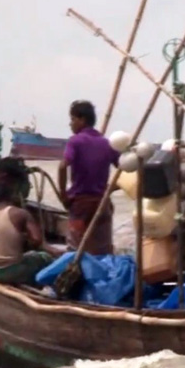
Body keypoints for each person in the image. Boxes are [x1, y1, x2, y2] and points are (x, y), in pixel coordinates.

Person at [0, 177, 62, 286]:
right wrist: (25, 240)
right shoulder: (21, 214)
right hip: (13, 272)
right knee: (43, 257)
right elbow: (37, 240)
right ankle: (48, 287)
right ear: (12, 196)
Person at [57, 100, 120, 256]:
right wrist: (110, 189)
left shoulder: (75, 141)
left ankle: (75, 277)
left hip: (81, 205)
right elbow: (126, 169)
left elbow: (62, 166)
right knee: (103, 250)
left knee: (75, 251)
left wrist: (63, 195)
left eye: (72, 119)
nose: (70, 124)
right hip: (102, 204)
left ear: (82, 120)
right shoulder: (106, 143)